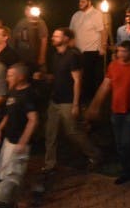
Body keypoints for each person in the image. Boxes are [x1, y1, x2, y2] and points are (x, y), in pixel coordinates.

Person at [89, 40, 130, 184]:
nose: (120, 54)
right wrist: (96, 105)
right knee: (120, 144)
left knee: (128, 142)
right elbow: (105, 85)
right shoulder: (113, 65)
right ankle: (127, 171)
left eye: (124, 51)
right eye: (118, 51)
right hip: (116, 110)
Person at [41, 28, 101, 173]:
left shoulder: (72, 56)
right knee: (50, 133)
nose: (53, 38)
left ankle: (95, 155)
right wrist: (47, 78)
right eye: (53, 36)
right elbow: (58, 76)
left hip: (67, 101)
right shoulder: (55, 55)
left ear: (66, 39)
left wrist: (75, 104)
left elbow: (77, 80)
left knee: (72, 132)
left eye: (57, 36)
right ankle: (50, 164)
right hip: (55, 100)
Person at [0, 64, 39, 207]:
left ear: (20, 77)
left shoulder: (28, 95)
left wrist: (23, 141)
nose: (7, 78)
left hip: (19, 143)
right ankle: (21, 200)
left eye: (10, 75)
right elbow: (8, 114)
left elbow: (33, 120)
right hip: (9, 140)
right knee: (8, 173)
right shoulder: (13, 91)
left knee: (12, 176)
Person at [69, 0, 107, 104]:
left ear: (89, 2)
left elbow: (103, 31)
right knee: (77, 77)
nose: (80, 3)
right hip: (77, 51)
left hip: (91, 50)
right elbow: (71, 32)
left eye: (83, 1)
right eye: (79, 1)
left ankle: (90, 102)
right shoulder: (76, 15)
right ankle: (79, 101)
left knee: (88, 79)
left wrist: (103, 47)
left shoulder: (96, 14)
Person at [11, 3, 48, 73]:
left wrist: (42, 57)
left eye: (30, 10)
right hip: (22, 56)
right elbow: (14, 37)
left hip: (35, 56)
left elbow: (44, 39)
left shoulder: (40, 23)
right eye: (27, 9)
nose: (28, 11)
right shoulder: (21, 22)